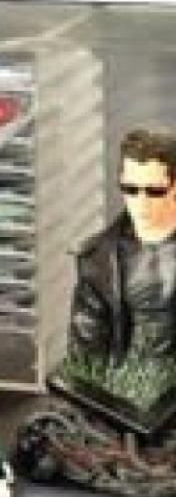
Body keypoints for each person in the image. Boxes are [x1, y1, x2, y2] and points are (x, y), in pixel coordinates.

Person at [69, 128, 176, 367]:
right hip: (129, 384)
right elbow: (86, 353)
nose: (141, 202)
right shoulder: (98, 259)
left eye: (155, 191)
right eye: (131, 189)